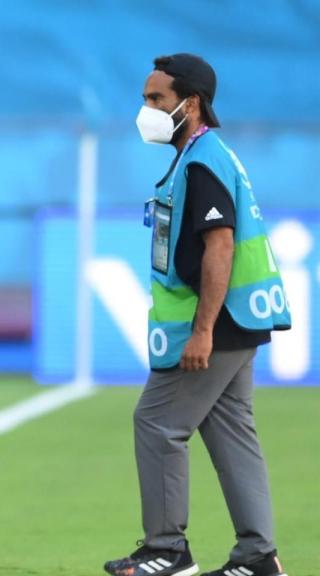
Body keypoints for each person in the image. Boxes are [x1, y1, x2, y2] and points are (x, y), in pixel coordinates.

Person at [104, 54, 291, 576]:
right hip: (237, 317)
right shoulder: (202, 155)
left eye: (156, 99)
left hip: (219, 319)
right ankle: (257, 556)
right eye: (145, 98)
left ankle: (167, 550)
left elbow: (220, 247)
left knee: (157, 424)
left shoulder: (204, 160)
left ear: (192, 103)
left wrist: (203, 330)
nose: (147, 109)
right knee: (232, 432)